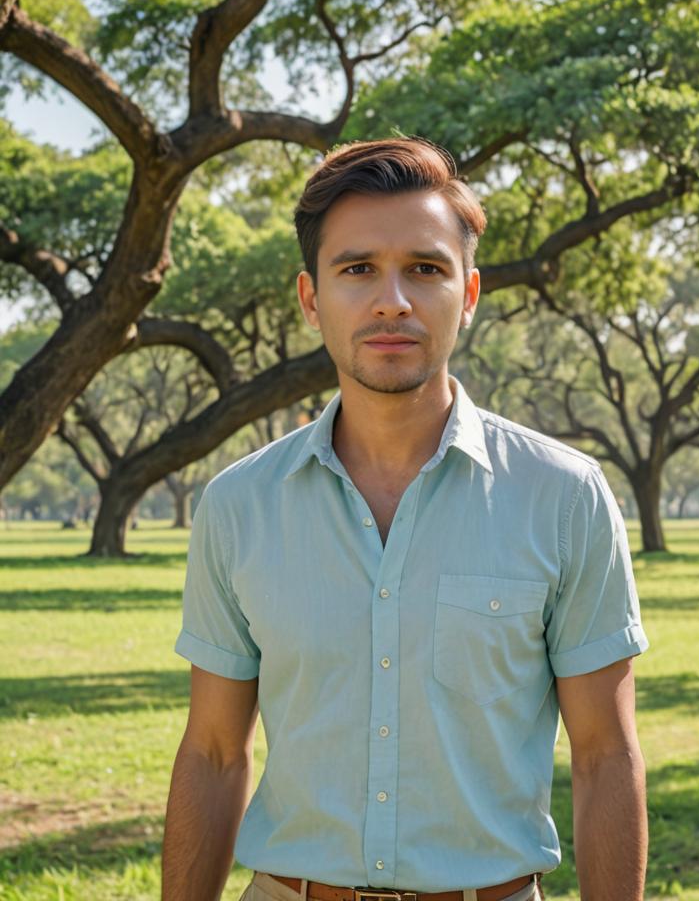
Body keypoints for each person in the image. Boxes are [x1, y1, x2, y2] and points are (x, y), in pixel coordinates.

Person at [162, 138, 649, 901]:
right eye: (358, 269)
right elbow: (215, 755)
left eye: (426, 269)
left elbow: (604, 757)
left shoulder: (565, 497)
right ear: (311, 297)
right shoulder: (238, 506)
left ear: (471, 293)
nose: (393, 299)